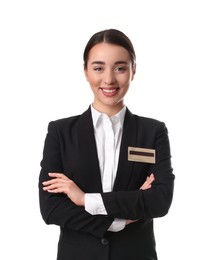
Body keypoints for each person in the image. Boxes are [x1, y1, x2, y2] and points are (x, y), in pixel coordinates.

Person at [39, 28, 175, 260]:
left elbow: (159, 201)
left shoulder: (153, 132)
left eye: (120, 68)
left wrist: (85, 200)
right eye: (98, 68)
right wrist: (117, 221)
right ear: (85, 71)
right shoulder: (60, 132)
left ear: (133, 71)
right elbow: (51, 208)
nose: (109, 79)